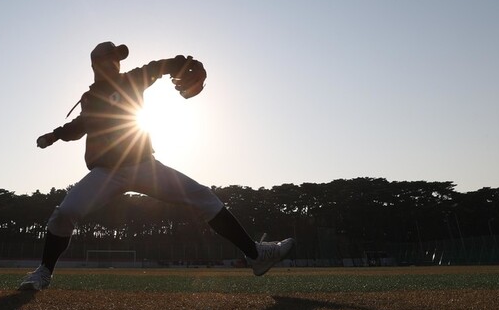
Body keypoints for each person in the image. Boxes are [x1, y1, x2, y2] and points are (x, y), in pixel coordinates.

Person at [19, 41, 294, 291]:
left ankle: (256, 255)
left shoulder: (130, 80)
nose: (116, 62)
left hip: (144, 166)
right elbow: (80, 126)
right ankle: (44, 272)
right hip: (105, 173)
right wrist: (54, 135)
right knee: (65, 212)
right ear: (97, 63)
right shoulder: (90, 98)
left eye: (118, 58)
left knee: (203, 197)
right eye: (111, 58)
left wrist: (180, 62)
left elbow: (158, 67)